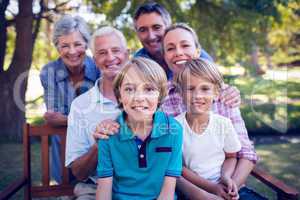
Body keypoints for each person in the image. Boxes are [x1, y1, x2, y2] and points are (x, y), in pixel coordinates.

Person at [162, 23, 262, 200]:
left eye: (185, 45)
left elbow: (244, 153)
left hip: (231, 188)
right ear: (164, 56)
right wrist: (207, 193)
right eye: (170, 48)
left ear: (198, 51)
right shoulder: (159, 99)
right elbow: (168, 162)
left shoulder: (224, 94)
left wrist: (230, 189)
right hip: (188, 191)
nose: (178, 52)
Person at [96, 57, 183, 200]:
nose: (139, 97)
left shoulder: (173, 130)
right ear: (119, 95)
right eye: (129, 89)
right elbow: (104, 190)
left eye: (149, 89)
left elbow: (168, 190)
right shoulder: (109, 132)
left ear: (160, 94)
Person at [133, 1, 240, 107]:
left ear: (168, 27)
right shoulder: (137, 65)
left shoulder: (199, 58)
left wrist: (230, 93)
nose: (151, 36)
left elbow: (218, 88)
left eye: (156, 27)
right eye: (143, 30)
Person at [65, 26, 129, 199]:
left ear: (127, 54)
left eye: (116, 50)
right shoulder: (81, 105)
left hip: (140, 185)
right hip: (95, 188)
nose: (110, 57)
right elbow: (79, 173)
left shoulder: (145, 99)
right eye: (102, 53)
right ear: (94, 60)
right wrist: (98, 145)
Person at [40, 15, 99, 183]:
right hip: (64, 155)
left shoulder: (98, 67)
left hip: (97, 154)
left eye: (78, 44)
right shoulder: (48, 72)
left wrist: (66, 118)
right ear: (57, 47)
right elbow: (53, 118)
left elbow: (106, 115)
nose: (72, 51)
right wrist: (91, 119)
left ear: (86, 44)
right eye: (65, 45)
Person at [175, 58, 241, 200]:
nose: (197, 95)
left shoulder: (224, 124)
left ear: (216, 93)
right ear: (181, 93)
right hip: (192, 190)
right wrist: (212, 188)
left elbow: (231, 156)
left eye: (205, 89)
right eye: (190, 89)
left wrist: (226, 177)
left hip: (222, 186)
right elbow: (179, 167)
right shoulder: (175, 127)